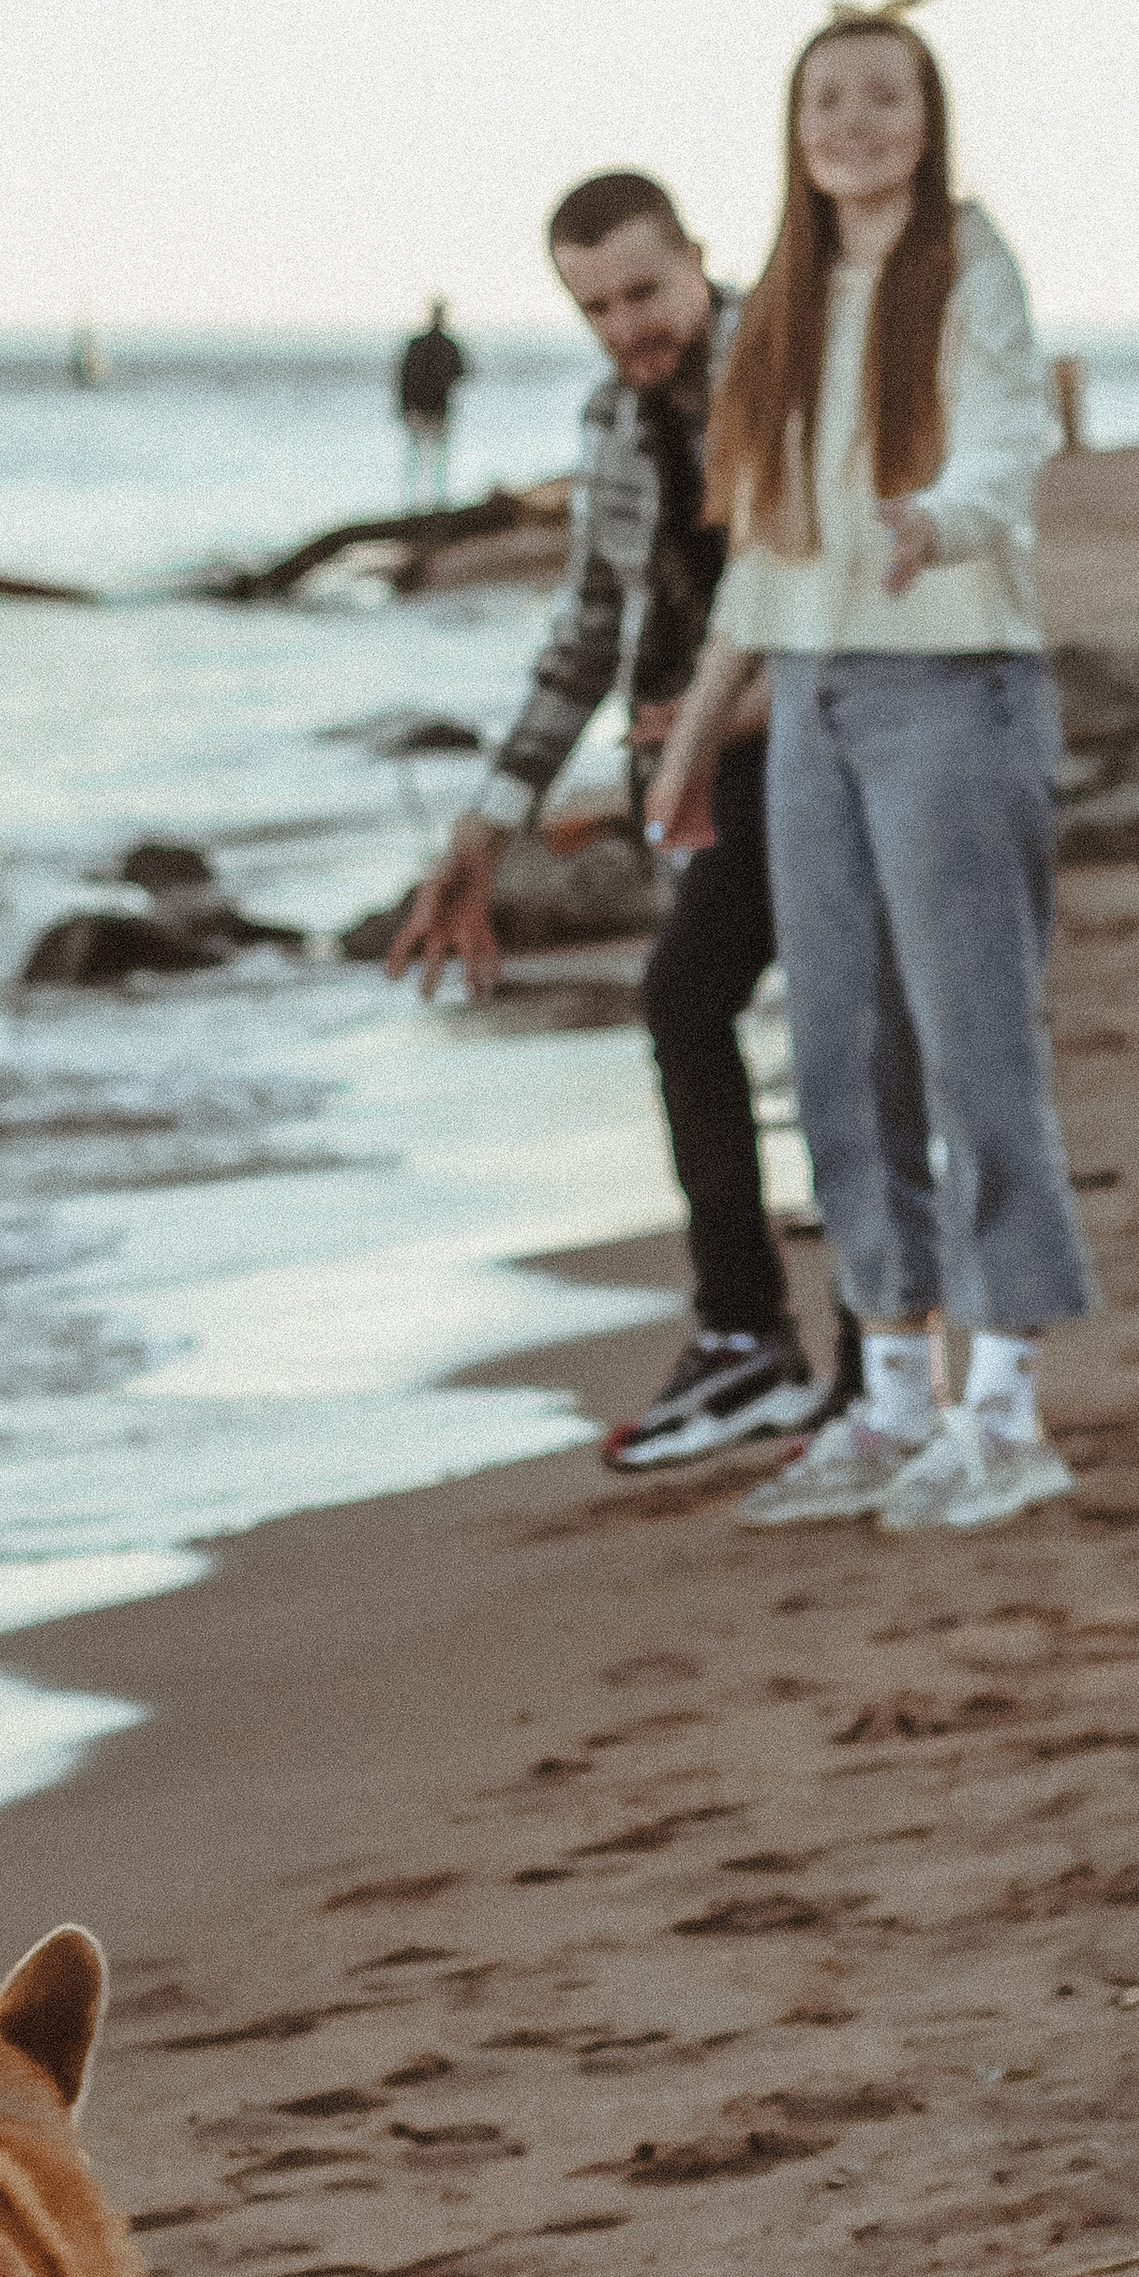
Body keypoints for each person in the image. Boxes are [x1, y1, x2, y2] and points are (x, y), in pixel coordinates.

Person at [644, 0, 1094, 1533]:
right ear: (796, 126)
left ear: (928, 116)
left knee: (975, 1050)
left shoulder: (965, 260)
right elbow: (763, 555)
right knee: (839, 1054)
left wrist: (939, 523)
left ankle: (1006, 1412)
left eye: (883, 95)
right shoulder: (781, 294)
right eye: (827, 97)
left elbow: (1009, 439)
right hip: (814, 704)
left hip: (954, 690)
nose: (854, 121)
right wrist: (695, 738)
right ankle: (894, 1398)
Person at [387, 173, 848, 1469]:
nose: (626, 328)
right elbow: (589, 629)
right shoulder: (611, 419)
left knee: (828, 1033)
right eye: (595, 308)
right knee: (690, 1005)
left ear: (698, 259)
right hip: (700, 767)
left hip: (827, 743)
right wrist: (486, 828)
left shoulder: (798, 366)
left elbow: (848, 593)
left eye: (645, 293)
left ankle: (860, 1361)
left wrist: (708, 729)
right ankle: (750, 1336)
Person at [395, 298, 469, 501]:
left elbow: (403, 378)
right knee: (432, 458)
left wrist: (404, 407)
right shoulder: (447, 345)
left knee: (422, 458)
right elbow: (462, 373)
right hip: (434, 408)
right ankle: (432, 502)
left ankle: (419, 502)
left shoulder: (419, 344)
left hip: (427, 408)